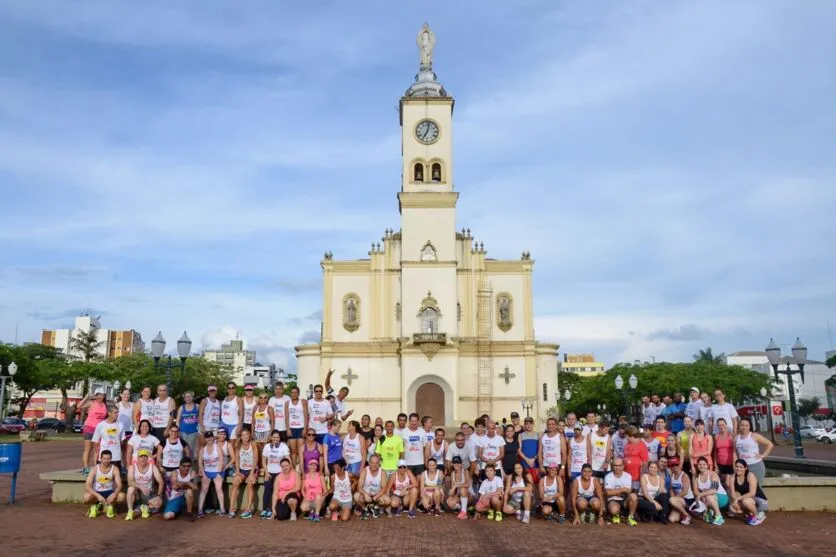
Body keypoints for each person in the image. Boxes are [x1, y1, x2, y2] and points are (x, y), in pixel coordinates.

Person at [83, 449, 124, 518]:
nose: (106, 460)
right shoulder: (95, 468)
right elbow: (87, 485)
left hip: (110, 492)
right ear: (100, 458)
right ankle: (94, 506)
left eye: (108, 458)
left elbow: (119, 485)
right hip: (97, 492)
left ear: (111, 459)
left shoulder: (115, 469)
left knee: (121, 496)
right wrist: (98, 495)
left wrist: (114, 494)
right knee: (86, 497)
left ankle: (110, 506)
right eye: (104, 458)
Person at [125, 448, 163, 520]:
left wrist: (159, 495)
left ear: (148, 458)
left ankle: (144, 508)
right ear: (137, 458)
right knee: (130, 489)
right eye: (141, 456)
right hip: (137, 494)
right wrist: (141, 487)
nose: (143, 458)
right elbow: (130, 482)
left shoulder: (153, 467)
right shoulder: (132, 467)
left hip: (149, 493)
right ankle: (130, 510)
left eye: (145, 456)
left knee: (159, 503)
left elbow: (161, 482)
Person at [229, 428, 258, 518]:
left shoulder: (253, 444)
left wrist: (251, 474)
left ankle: (248, 509)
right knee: (235, 482)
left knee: (250, 483)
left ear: (249, 435)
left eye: (247, 434)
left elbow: (256, 459)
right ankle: (231, 508)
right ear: (241, 437)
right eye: (243, 435)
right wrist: (237, 472)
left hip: (252, 469)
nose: (245, 436)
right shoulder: (238, 445)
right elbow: (237, 459)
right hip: (242, 469)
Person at [261, 429, 291, 519]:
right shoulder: (267, 446)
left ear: (279, 438)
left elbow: (288, 459)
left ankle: (271, 509)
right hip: (269, 472)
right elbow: (263, 461)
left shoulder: (284, 446)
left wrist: (290, 471)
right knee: (267, 490)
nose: (275, 439)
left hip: (280, 473)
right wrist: (266, 473)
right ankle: (264, 509)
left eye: (277, 437)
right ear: (271, 437)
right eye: (274, 437)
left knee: (276, 491)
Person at [728, 458, 768, 525]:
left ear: (745, 468)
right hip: (746, 499)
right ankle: (749, 514)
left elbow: (752, 493)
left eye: (741, 467)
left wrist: (738, 499)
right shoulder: (732, 477)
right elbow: (732, 493)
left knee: (746, 502)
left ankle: (757, 516)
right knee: (732, 508)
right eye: (737, 466)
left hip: (759, 500)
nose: (738, 469)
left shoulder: (750, 475)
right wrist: (735, 500)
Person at [734, 418, 773, 484]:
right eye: (742, 425)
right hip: (743, 467)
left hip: (756, 465)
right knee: (745, 487)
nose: (744, 427)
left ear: (750, 426)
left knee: (757, 488)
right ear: (739, 426)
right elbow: (735, 453)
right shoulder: (736, 438)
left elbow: (769, 444)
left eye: (746, 425)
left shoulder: (754, 436)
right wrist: (736, 465)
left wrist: (763, 455)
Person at [692, 456, 728, 525]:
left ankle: (719, 516)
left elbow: (714, 490)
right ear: (697, 465)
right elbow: (696, 491)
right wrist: (701, 497)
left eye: (704, 464)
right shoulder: (695, 477)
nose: (702, 466)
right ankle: (709, 511)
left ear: (707, 465)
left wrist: (701, 495)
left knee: (708, 495)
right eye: (699, 464)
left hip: (722, 498)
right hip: (708, 498)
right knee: (706, 495)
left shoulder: (713, 474)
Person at [79, 388, 108, 474]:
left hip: (99, 429)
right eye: (98, 395)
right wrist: (86, 397)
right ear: (95, 396)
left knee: (97, 449)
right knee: (88, 448)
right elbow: (79, 406)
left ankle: (96, 467)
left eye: (102, 395)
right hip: (89, 427)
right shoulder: (91, 403)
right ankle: (85, 467)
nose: (100, 396)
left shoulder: (104, 405)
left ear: (104, 396)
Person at [197, 431, 226, 517]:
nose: (209, 439)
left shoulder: (217, 447)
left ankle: (222, 509)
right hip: (207, 471)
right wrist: (203, 473)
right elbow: (199, 461)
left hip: (217, 471)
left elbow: (221, 459)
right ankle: (200, 510)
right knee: (203, 490)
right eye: (207, 437)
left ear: (213, 437)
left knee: (219, 489)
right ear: (205, 439)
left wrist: (218, 473)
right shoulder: (203, 448)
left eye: (210, 437)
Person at [604, 458, 638, 526]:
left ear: (623, 466)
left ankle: (630, 517)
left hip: (624, 500)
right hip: (613, 500)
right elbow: (608, 492)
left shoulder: (628, 476)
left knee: (633, 496)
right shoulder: (608, 476)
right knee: (614, 510)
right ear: (612, 466)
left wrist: (614, 491)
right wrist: (622, 489)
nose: (617, 467)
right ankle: (617, 515)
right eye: (615, 465)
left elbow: (628, 491)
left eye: (619, 465)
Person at [354, 454, 389, 519]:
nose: (374, 465)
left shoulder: (383, 472)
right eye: (372, 463)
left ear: (379, 463)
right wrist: (365, 494)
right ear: (369, 463)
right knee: (356, 496)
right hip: (366, 494)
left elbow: (384, 488)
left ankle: (376, 507)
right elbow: (359, 487)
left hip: (377, 494)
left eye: (376, 463)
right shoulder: (364, 471)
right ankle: (365, 508)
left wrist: (376, 496)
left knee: (388, 501)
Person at [92, 404, 126, 469]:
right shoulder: (101, 425)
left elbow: (122, 441)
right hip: (104, 457)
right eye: (115, 412)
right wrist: (96, 457)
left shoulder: (121, 425)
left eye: (118, 412)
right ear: (109, 413)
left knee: (117, 477)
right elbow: (95, 442)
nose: (117, 414)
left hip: (116, 457)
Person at [285, 385, 307, 469]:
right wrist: (288, 429)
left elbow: (305, 416)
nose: (294, 394)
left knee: (300, 451)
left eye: (296, 393)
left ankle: (301, 470)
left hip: (301, 428)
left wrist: (305, 428)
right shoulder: (287, 403)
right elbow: (286, 416)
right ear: (290, 394)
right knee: (293, 451)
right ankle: (294, 469)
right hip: (292, 429)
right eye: (292, 393)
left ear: (298, 393)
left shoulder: (303, 402)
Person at [667, 457, 694, 524]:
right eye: (672, 465)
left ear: (679, 465)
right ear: (670, 467)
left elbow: (685, 492)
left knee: (671, 500)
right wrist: (674, 503)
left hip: (688, 500)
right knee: (671, 519)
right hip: (678, 499)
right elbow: (671, 489)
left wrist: (674, 499)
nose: (674, 467)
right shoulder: (671, 476)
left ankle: (687, 515)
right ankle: (682, 513)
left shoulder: (684, 476)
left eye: (676, 465)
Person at [446, 455, 474, 520]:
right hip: (459, 495)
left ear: (461, 464)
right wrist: (451, 494)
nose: (456, 464)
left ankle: (464, 512)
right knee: (450, 503)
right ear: (452, 464)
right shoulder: (452, 473)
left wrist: (456, 485)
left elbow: (467, 484)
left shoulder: (465, 471)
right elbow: (453, 488)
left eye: (458, 463)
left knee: (463, 489)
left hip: (469, 495)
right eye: (455, 463)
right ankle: (463, 508)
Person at [623, 427, 648, 492]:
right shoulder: (627, 443)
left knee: (635, 492)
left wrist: (642, 474)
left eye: (626, 435)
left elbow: (645, 461)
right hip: (626, 473)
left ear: (629, 435)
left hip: (636, 475)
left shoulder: (641, 445)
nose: (625, 437)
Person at [175, 391, 200, 458]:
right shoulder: (181, 407)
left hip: (193, 431)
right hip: (183, 431)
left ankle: (190, 465)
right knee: (183, 448)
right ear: (184, 398)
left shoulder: (197, 406)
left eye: (189, 396)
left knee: (191, 449)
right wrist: (177, 431)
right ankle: (182, 464)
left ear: (192, 397)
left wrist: (199, 430)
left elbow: (200, 419)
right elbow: (177, 421)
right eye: (186, 397)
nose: (188, 398)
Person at [220, 382, 243, 447]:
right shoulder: (224, 399)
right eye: (229, 388)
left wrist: (239, 426)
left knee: (232, 446)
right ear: (227, 389)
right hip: (223, 424)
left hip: (234, 425)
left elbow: (241, 414)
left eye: (233, 388)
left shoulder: (238, 399)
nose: (231, 389)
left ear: (235, 389)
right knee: (223, 445)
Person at [714, 417, 735, 481]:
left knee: (728, 483)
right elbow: (715, 452)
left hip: (731, 463)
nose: (721, 426)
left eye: (723, 424)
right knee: (724, 483)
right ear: (717, 426)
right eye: (719, 425)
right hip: (720, 464)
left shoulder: (731, 435)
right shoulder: (716, 436)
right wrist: (715, 465)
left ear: (726, 425)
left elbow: (735, 451)